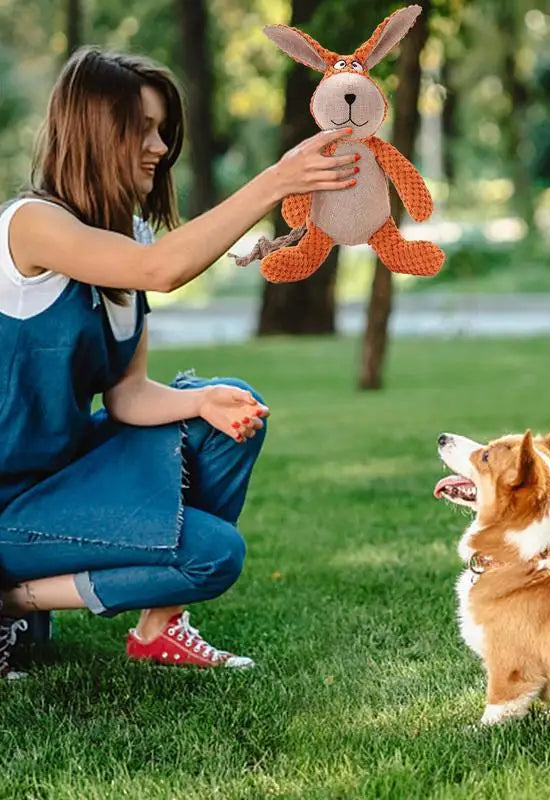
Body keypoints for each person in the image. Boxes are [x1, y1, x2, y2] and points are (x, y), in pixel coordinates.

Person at [0, 46, 358, 678]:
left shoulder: (127, 235)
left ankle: (153, 627)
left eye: (163, 130)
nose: (161, 146)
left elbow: (127, 394)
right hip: (8, 503)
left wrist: (200, 402)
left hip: (61, 476)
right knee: (213, 554)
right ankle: (11, 600)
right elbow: (160, 270)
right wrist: (276, 181)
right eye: (142, 128)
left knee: (230, 406)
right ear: (92, 130)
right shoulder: (29, 225)